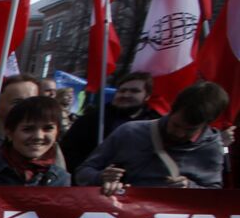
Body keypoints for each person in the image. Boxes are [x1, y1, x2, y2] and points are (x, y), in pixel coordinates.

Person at [75, 81, 228, 193]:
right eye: (175, 125)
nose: (179, 133)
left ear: (207, 124)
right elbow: (82, 173)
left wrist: (189, 188)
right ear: (171, 111)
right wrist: (102, 178)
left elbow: (213, 194)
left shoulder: (212, 147)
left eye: (190, 130)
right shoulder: (129, 132)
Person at [0, 96, 71, 190]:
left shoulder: (60, 179)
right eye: (28, 129)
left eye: (48, 128)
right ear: (10, 133)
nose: (38, 136)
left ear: (57, 132)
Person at [59, 72, 159, 171]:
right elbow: (68, 151)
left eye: (134, 91)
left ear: (147, 96)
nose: (126, 95)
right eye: (122, 91)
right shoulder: (92, 119)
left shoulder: (154, 124)